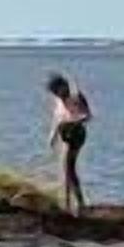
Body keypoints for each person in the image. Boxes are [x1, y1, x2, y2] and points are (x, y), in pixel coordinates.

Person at [46, 70, 93, 214]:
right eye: (55, 93)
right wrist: (52, 136)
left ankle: (72, 204)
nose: (57, 95)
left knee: (68, 167)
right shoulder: (59, 101)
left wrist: (74, 121)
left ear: (64, 86)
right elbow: (58, 118)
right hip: (65, 132)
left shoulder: (76, 97)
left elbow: (88, 115)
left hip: (76, 133)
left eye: (58, 91)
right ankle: (73, 202)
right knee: (67, 169)